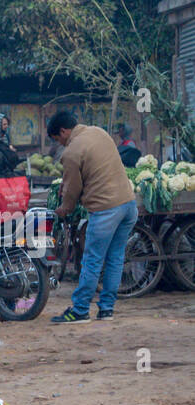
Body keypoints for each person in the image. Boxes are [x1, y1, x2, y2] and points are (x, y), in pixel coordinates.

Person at [47, 111, 138, 323]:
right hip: (128, 205)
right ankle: (106, 309)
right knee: (115, 259)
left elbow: (72, 190)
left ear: (63, 131)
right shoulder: (99, 132)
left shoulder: (71, 152)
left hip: (106, 209)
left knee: (92, 259)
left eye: (57, 139)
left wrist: (64, 209)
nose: (60, 143)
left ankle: (79, 310)